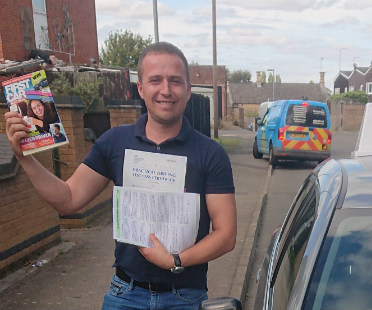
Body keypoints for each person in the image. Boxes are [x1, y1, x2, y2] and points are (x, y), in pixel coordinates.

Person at [4, 42, 237, 310]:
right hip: (126, 295)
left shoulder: (211, 153)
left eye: (175, 81)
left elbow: (226, 234)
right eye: (155, 80)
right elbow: (67, 199)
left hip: (184, 297)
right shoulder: (114, 142)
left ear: (187, 90)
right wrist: (25, 158)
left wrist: (175, 260)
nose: (165, 90)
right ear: (140, 88)